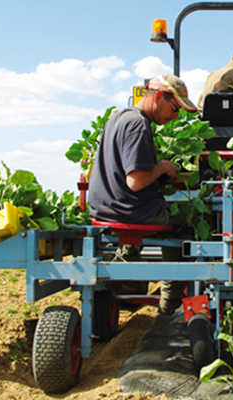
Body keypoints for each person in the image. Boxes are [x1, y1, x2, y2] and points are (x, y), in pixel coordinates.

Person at [88, 74, 197, 315]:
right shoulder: (139, 124)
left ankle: (116, 273)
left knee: (155, 211)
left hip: (106, 208)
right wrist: (163, 167)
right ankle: (169, 305)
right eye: (175, 108)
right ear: (159, 96)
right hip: (130, 210)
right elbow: (136, 181)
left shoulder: (117, 117)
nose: (176, 116)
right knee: (189, 222)